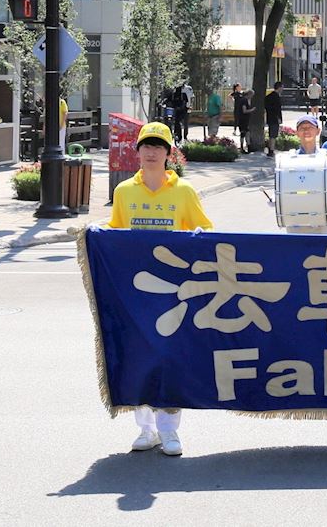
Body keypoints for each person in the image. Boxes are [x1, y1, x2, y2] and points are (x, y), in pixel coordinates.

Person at [110, 120, 213, 457]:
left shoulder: (184, 193)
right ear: (137, 151)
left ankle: (170, 432)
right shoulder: (124, 192)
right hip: (136, 295)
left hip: (174, 295)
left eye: (158, 147)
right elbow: (115, 236)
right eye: (146, 146)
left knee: (171, 360)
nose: (152, 152)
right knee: (139, 359)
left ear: (169, 153)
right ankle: (146, 429)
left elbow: (206, 234)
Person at [278, 115, 327, 234]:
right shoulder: (288, 159)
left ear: (318, 131)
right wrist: (277, 198)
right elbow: (282, 184)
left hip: (322, 217)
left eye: (310, 127)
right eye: (302, 128)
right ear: (297, 133)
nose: (306, 131)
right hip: (296, 219)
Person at [264, 81, 284, 156]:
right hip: (275, 118)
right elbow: (277, 109)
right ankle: (271, 150)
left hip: (270, 117)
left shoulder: (268, 96)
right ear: (279, 87)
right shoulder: (276, 97)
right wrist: (278, 118)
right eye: (282, 87)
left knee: (271, 134)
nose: (282, 89)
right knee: (273, 135)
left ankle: (270, 149)